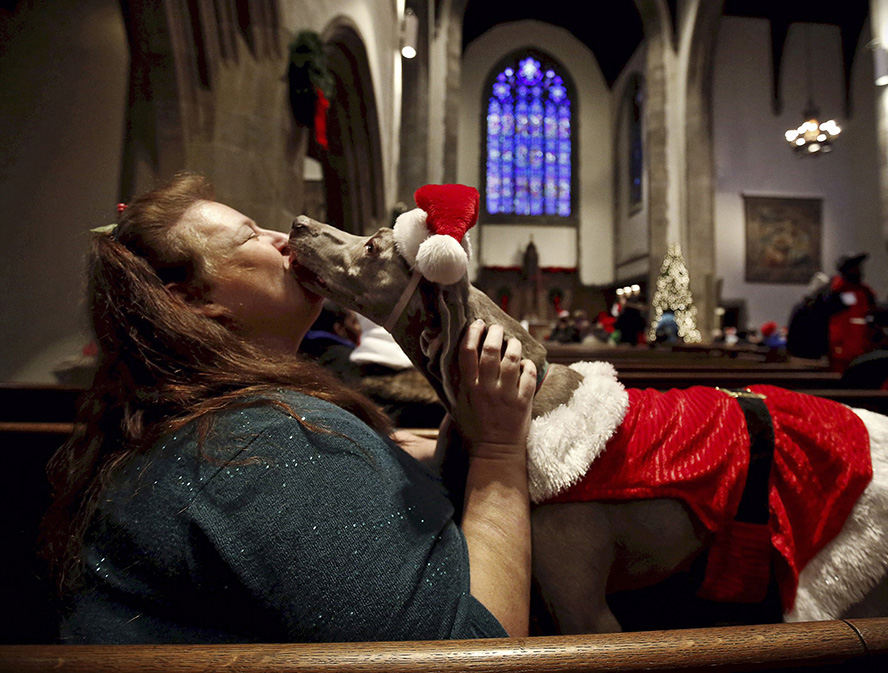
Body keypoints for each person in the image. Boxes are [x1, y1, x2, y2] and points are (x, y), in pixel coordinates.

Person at [40, 172, 536, 643]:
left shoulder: (213, 420)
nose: (283, 237)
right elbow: (472, 654)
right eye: (249, 235)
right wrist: (498, 453)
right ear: (192, 299)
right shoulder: (255, 449)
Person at [826, 253, 877, 372]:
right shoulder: (835, 291)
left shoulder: (865, 291)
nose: (859, 271)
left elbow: (871, 313)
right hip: (841, 351)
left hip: (863, 347)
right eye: (855, 268)